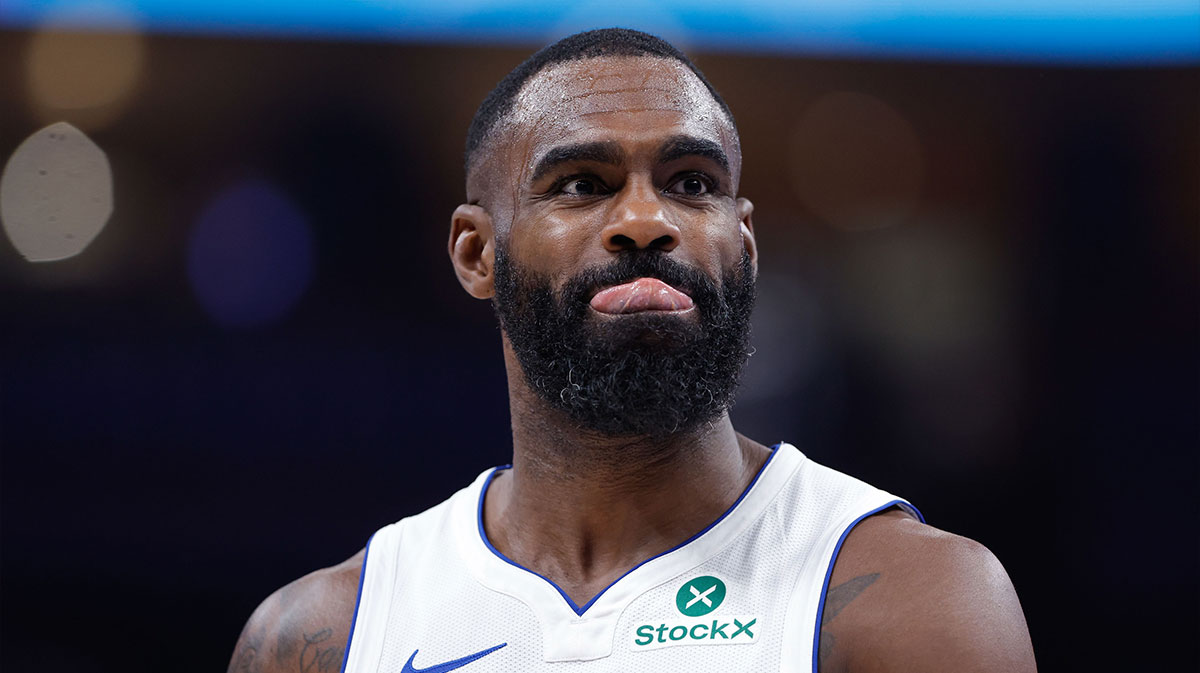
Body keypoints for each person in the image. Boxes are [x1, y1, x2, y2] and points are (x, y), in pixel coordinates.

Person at [227, 28, 1036, 673]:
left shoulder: (912, 599)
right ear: (477, 253)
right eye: (582, 184)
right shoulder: (325, 633)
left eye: (692, 183)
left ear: (746, 244)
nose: (647, 220)